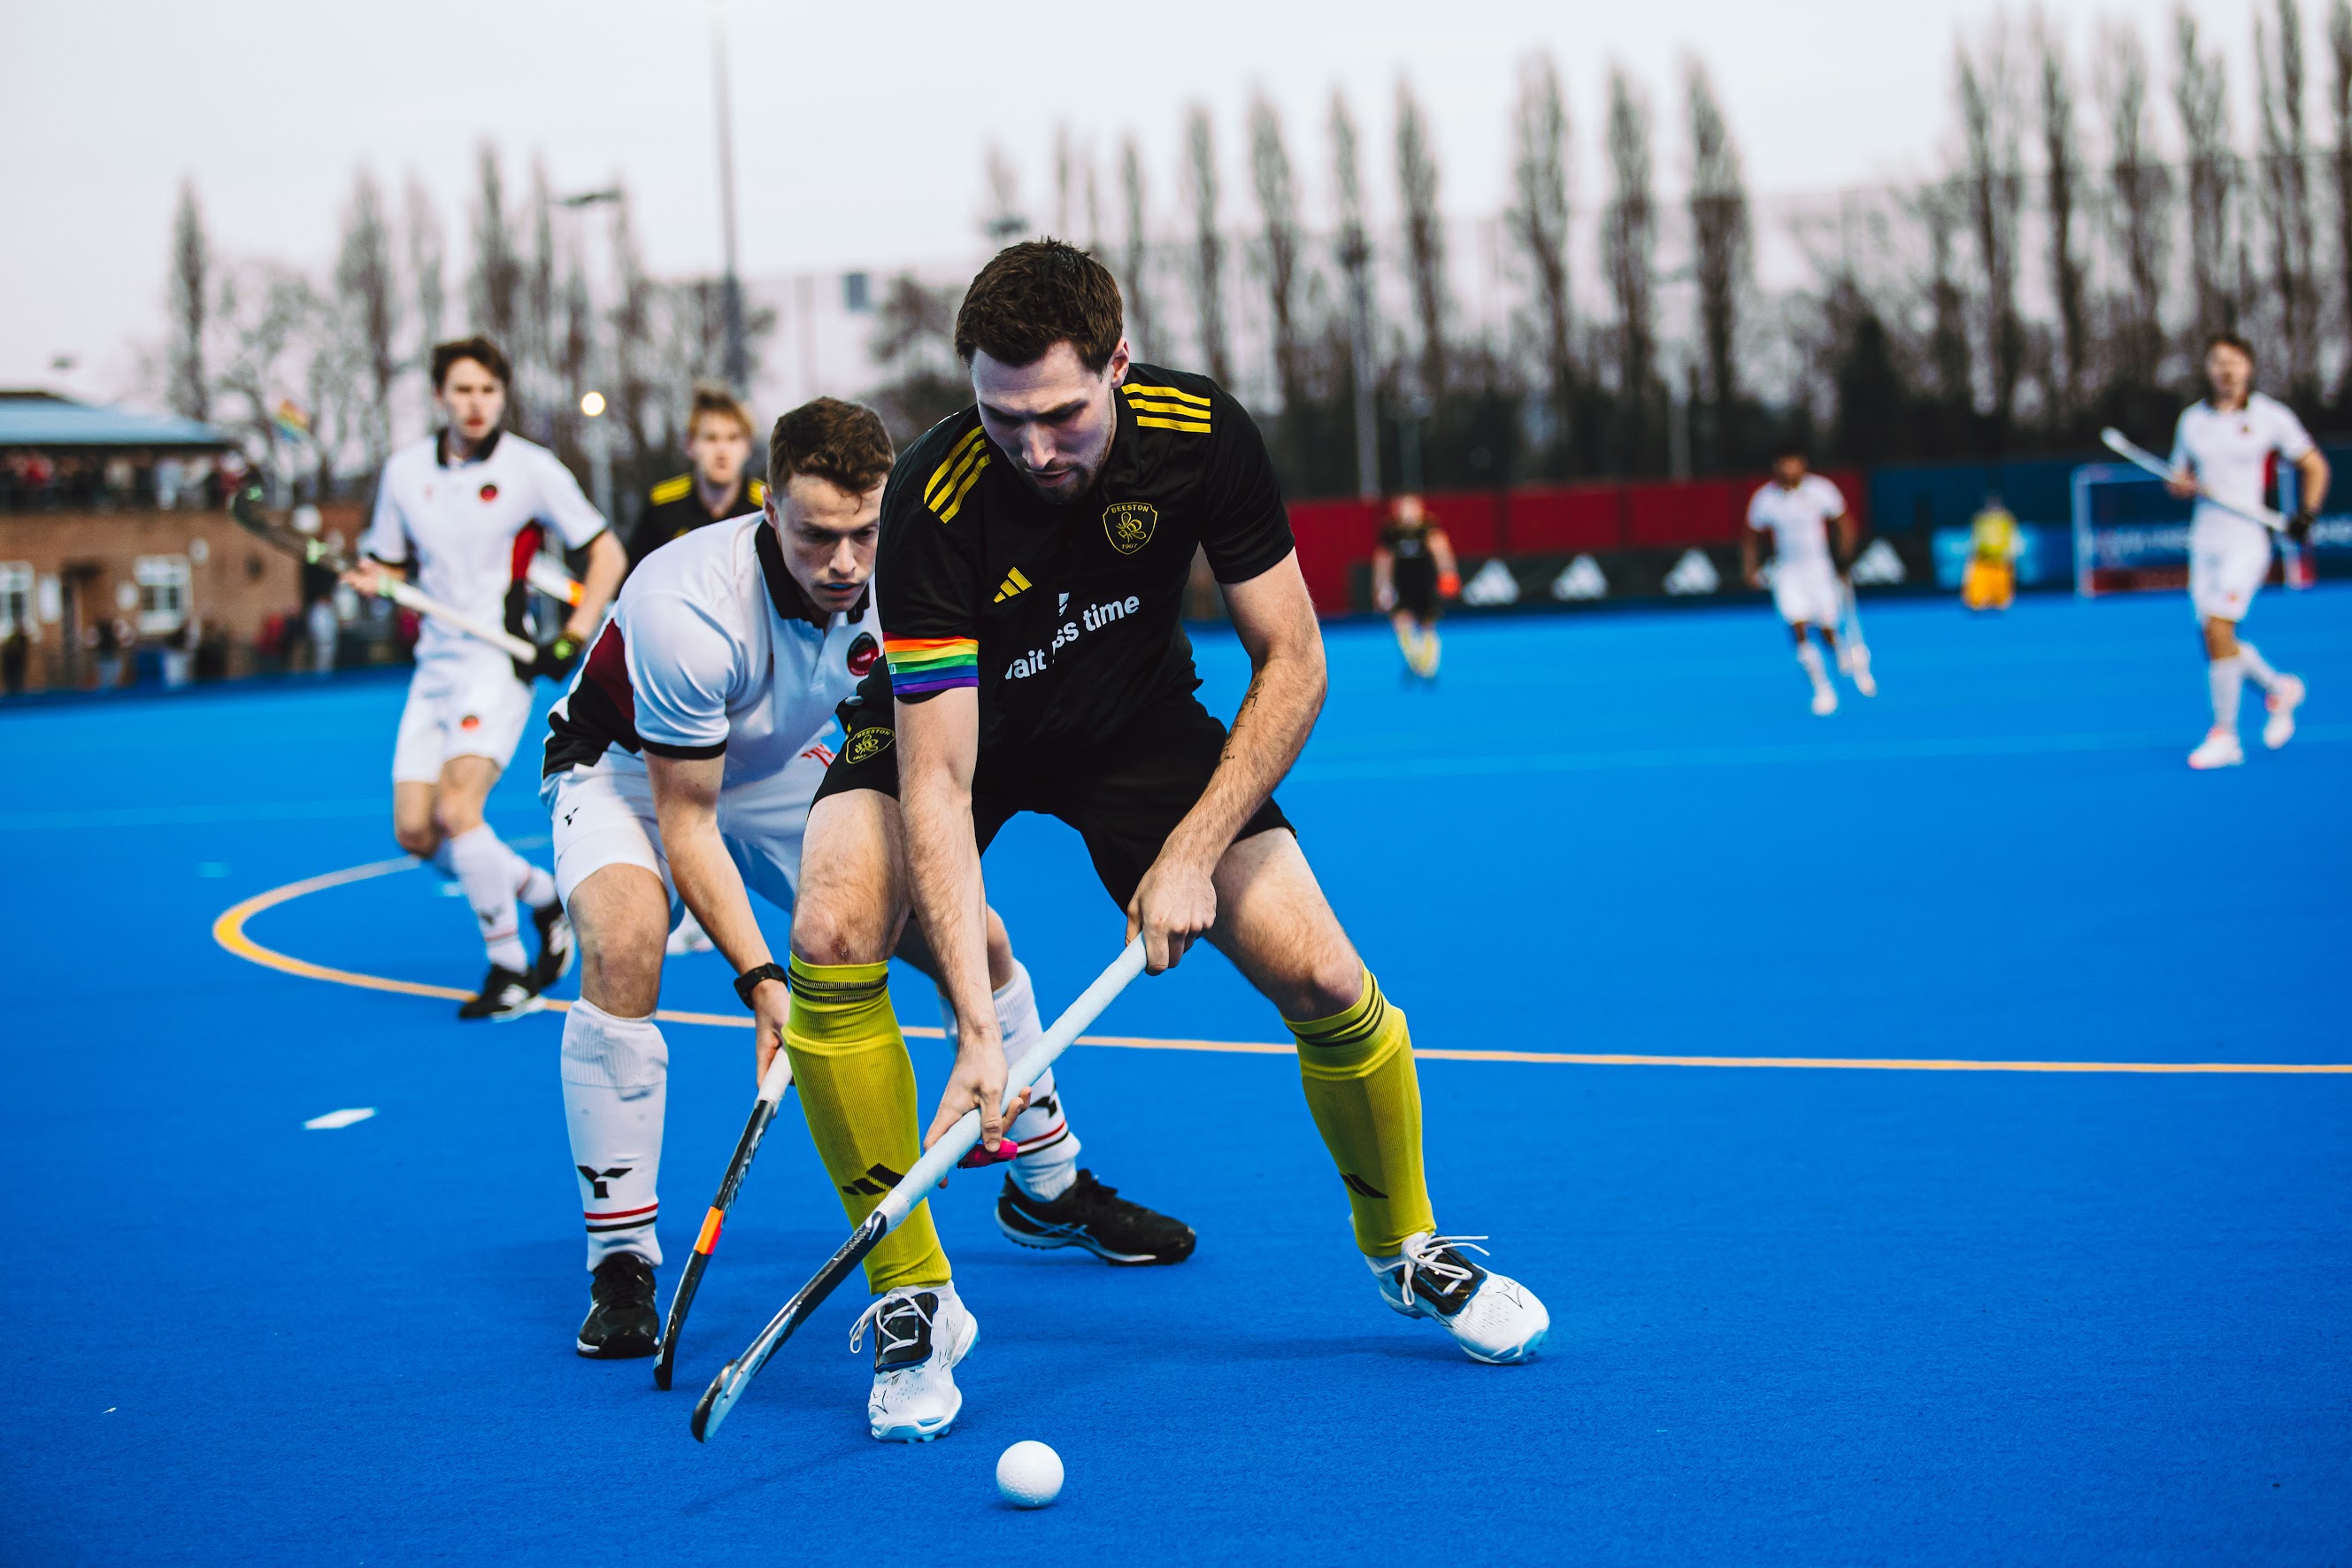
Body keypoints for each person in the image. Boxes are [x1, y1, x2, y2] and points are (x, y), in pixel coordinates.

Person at [783, 241, 1549, 1445]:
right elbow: (939, 777)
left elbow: (1294, 662)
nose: (1035, 449)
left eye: (1062, 416)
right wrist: (980, 1034)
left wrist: (1193, 849)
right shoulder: (932, 494)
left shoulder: (1202, 435)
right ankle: (912, 1294)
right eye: (1002, 417)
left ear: (1119, 366)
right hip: (958, 726)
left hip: (1133, 723)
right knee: (832, 928)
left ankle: (1405, 1244)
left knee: (1324, 974)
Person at [541, 396, 1193, 1361]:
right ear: (769, 508)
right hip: (630, 770)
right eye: (816, 536)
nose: (845, 562)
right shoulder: (688, 605)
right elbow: (689, 824)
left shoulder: (911, 567)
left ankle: (1048, 1185)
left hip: (781, 763)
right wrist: (765, 981)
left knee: (978, 939)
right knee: (627, 942)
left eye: (864, 532)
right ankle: (621, 1261)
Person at [347, 336, 628, 1018]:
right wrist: (374, 580)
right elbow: (390, 566)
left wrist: (572, 633)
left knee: (458, 809)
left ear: (502, 396)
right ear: (440, 396)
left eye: (488, 391)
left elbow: (606, 554)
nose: (476, 404)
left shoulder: (532, 470)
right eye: (463, 390)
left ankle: (508, 969)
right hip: (434, 668)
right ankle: (540, 896)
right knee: (416, 833)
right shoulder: (404, 473)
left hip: (497, 662)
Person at [2165, 333, 2329, 770]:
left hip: (2246, 541)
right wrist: (2181, 486)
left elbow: (2315, 466)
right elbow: (2177, 478)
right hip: (2205, 541)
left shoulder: (2271, 417)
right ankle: (2279, 688)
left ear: (2248, 367)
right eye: (2218, 361)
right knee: (2213, 637)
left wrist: (2306, 515)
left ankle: (2227, 736)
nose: (2226, 370)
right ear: (2207, 369)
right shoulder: (2191, 421)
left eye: (2234, 361)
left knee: (2220, 626)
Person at [1742, 446, 1875, 715]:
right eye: (1784, 463)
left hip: (1819, 570)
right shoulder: (1765, 498)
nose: (1789, 468)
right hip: (1787, 572)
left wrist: (1844, 559)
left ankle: (1838, 649)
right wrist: (1750, 569)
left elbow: (1844, 524)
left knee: (1826, 629)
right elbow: (1751, 537)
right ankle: (1822, 688)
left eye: (1793, 462)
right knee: (1798, 627)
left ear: (1802, 464)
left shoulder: (1821, 490)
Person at [628, 385, 768, 568]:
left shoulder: (766, 507)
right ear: (689, 445)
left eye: (733, 438)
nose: (722, 451)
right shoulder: (662, 506)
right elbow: (637, 574)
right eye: (711, 438)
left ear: (748, 446)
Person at [1371, 493, 1459, 678]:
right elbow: (1383, 560)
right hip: (1403, 583)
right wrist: (1382, 586)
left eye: (1411, 507)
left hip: (1425, 582)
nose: (1407, 513)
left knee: (1428, 623)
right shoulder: (1391, 531)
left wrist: (1448, 574)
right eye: (1403, 508)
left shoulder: (1428, 527)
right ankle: (1415, 661)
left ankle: (1430, 665)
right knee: (1401, 621)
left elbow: (1441, 550)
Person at [1961, 494, 2019, 612]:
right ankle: (1981, 601)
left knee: (2001, 590)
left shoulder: (2007, 518)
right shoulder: (1980, 518)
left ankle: (1997, 601)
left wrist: (2012, 553)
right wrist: (1972, 553)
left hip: (2001, 559)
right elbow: (1975, 536)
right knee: (1978, 590)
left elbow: (2012, 535)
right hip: (1982, 559)